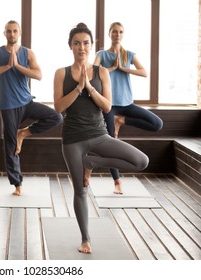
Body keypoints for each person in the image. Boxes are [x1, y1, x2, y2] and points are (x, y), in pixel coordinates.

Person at [53, 23, 149, 254]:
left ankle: (92, 162)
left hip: (99, 136)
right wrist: (78, 88)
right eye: (77, 43)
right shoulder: (61, 73)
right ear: (70, 46)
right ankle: (85, 239)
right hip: (73, 141)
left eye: (86, 43)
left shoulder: (101, 72)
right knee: (80, 191)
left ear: (91, 45)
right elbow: (58, 107)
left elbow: (107, 107)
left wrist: (89, 87)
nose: (81, 47)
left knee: (141, 161)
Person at [0, 20, 62, 196]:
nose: (12, 34)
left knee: (56, 117)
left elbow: (39, 75)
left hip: (26, 103)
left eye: (15, 31)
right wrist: (7, 66)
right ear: (4, 33)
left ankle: (23, 133)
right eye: (8, 31)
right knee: (10, 147)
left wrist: (17, 66)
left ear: (20, 32)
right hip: (8, 106)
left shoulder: (28, 53)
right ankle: (17, 184)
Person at [93, 22, 163, 194]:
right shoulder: (101, 54)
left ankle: (122, 120)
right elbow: (92, 73)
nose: (117, 34)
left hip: (127, 104)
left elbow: (144, 72)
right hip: (109, 106)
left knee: (157, 123)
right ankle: (117, 181)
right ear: (109, 34)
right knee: (110, 143)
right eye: (114, 32)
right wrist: (111, 68)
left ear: (123, 35)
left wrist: (124, 69)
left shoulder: (129, 55)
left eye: (120, 32)